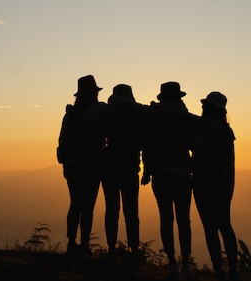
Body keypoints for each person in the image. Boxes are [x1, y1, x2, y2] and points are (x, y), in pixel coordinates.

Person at [142, 82, 195, 280]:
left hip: (161, 174)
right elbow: (192, 144)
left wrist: (147, 170)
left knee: (166, 219)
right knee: (184, 220)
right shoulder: (185, 117)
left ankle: (172, 263)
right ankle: (186, 264)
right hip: (182, 175)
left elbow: (147, 146)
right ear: (178, 97)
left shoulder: (153, 116)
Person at [57, 75, 109, 254]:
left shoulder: (70, 116)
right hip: (92, 163)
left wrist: (64, 162)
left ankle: (71, 242)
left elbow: (62, 141)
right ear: (94, 93)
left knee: (75, 204)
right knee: (88, 207)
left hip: (72, 165)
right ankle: (84, 244)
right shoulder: (100, 110)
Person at [192, 91, 238, 280]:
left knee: (210, 228)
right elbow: (230, 164)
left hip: (203, 182)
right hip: (221, 183)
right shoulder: (227, 131)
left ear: (209, 108)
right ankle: (233, 270)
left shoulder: (199, 126)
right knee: (225, 226)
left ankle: (218, 270)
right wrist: (230, 187)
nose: (202, 107)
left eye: (205, 105)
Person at [102, 84, 143, 255]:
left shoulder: (106, 114)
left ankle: (111, 247)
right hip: (130, 168)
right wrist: (147, 169)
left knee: (112, 209)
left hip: (109, 167)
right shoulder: (137, 116)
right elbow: (144, 142)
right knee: (131, 211)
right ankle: (133, 248)